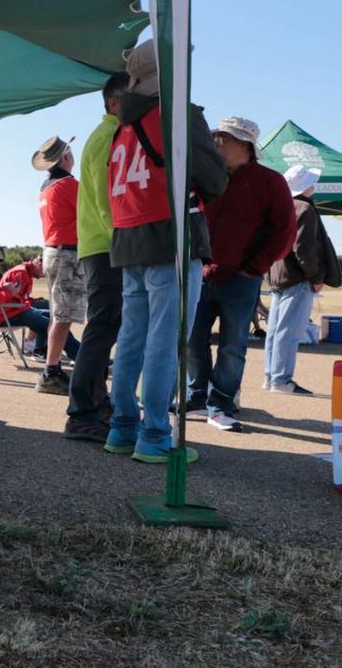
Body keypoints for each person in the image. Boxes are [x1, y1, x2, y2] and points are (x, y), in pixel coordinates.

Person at [104, 39, 228, 463]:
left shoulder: (122, 125)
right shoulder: (179, 113)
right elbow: (214, 179)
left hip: (128, 238)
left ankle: (122, 428)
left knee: (132, 337)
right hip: (170, 236)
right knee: (165, 340)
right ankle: (155, 435)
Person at [186, 116, 296, 431]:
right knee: (194, 339)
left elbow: (283, 232)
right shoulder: (205, 178)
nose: (217, 143)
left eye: (225, 138)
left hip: (241, 278)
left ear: (245, 145)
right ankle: (197, 397)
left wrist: (253, 268)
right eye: (216, 137)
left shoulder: (270, 181)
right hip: (202, 272)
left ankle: (221, 403)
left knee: (233, 345)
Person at [64, 72, 129, 443]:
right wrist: (124, 243)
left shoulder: (107, 136)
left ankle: (94, 402)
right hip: (107, 246)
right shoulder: (109, 137)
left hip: (102, 245)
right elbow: (110, 202)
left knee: (105, 327)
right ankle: (82, 412)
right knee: (102, 328)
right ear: (114, 103)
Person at [31, 135, 85, 395]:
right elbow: (92, 212)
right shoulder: (68, 185)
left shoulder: (46, 187)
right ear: (66, 158)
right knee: (63, 317)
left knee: (58, 315)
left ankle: (52, 368)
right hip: (67, 254)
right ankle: (51, 372)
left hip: (52, 251)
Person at [264, 165, 324, 395]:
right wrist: (316, 276)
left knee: (275, 330)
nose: (313, 185)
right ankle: (281, 379)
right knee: (289, 332)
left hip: (278, 276)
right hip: (297, 278)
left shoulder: (280, 206)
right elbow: (305, 249)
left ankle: (271, 376)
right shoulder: (304, 209)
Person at [0, 251, 80, 362]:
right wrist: (9, 293)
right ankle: (79, 357)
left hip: (10, 311)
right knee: (55, 323)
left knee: (56, 320)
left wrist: (4, 288)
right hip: (5, 314)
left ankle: (73, 354)